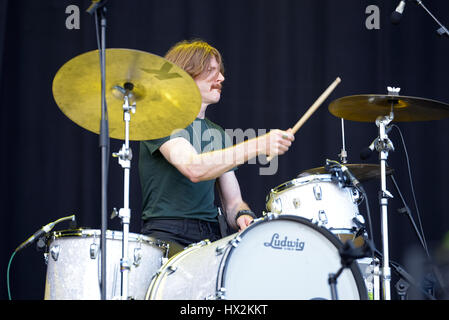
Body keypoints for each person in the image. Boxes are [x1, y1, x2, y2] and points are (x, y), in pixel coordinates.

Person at [139, 39, 294, 255]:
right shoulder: (160, 119)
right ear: (185, 75)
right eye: (211, 71)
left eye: (220, 71)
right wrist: (259, 144)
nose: (221, 78)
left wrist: (242, 215)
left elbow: (233, 203)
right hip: (168, 233)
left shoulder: (218, 133)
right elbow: (194, 168)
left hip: (210, 236)